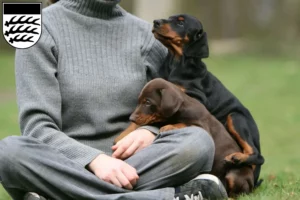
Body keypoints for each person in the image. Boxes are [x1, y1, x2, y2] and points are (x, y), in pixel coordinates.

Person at [0, 0, 228, 200]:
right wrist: (95, 160)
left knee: (198, 142)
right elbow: (37, 128)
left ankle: (62, 193)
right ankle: (168, 197)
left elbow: (175, 108)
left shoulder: (146, 35)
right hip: (65, 164)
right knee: (9, 153)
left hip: (138, 164)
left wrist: (150, 131)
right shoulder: (34, 25)